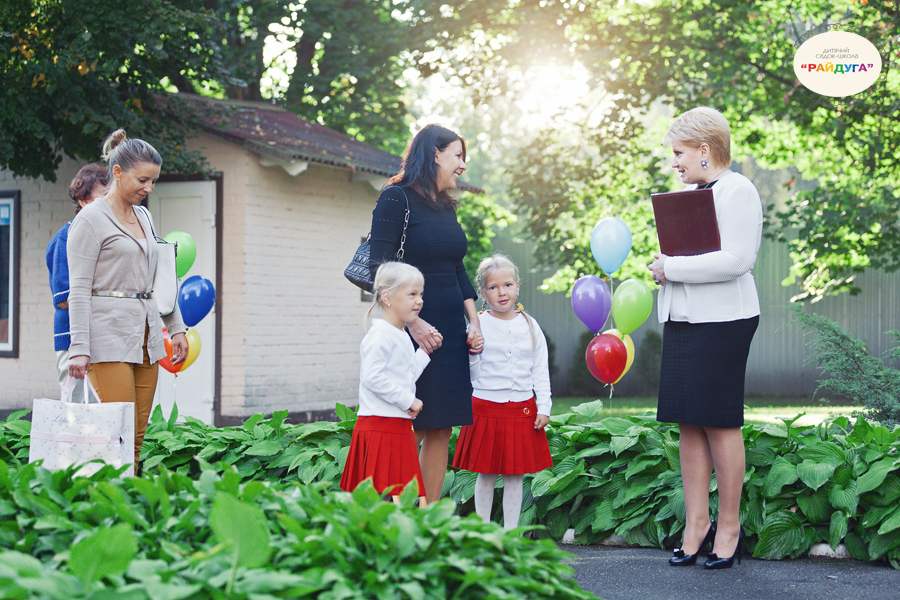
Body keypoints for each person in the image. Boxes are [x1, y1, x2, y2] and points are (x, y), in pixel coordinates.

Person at [648, 107, 762, 569]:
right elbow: (692, 256)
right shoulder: (691, 193)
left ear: (704, 149)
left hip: (724, 323)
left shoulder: (739, 191)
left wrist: (671, 267)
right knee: (688, 423)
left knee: (718, 421)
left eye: (679, 153)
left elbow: (737, 260)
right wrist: (663, 270)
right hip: (684, 318)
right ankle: (697, 524)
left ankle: (729, 527)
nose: (675, 162)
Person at [368, 124, 484, 504]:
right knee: (409, 424)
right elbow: (378, 268)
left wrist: (474, 320)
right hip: (411, 331)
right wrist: (412, 323)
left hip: (449, 332)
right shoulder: (395, 198)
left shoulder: (446, 206)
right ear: (435, 153)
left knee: (440, 427)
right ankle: (387, 513)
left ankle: (429, 519)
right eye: (458, 155)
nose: (463, 165)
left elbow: (456, 268)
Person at [67, 129, 188, 473]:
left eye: (153, 182)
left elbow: (160, 276)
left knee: (135, 436)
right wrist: (80, 347)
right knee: (115, 434)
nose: (149, 188)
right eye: (143, 180)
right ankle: (103, 505)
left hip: (147, 337)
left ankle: (129, 506)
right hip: (106, 336)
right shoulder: (89, 220)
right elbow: (78, 289)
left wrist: (175, 327)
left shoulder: (145, 217)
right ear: (117, 173)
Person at [452, 254, 553, 529]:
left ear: (518, 286)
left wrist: (544, 407)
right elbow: (471, 375)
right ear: (483, 293)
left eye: (507, 285)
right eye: (493, 287)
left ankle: (511, 535)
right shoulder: (478, 324)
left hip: (520, 409)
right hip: (485, 408)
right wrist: (474, 352)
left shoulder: (530, 326)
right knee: (485, 475)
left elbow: (539, 369)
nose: (502, 292)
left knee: (514, 476)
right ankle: (483, 532)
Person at [340, 262, 431, 503]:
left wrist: (424, 352)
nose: (419, 300)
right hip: (379, 427)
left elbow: (405, 376)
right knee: (378, 499)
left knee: (397, 498)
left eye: (421, 294)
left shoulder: (400, 334)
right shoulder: (379, 335)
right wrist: (408, 400)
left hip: (395, 426)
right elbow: (372, 378)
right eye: (412, 294)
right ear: (388, 298)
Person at [46, 164, 109, 402]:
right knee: (77, 416)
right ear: (83, 200)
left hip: (101, 340)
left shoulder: (104, 236)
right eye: (103, 197)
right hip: (73, 342)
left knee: (102, 416)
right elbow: (64, 299)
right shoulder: (66, 237)